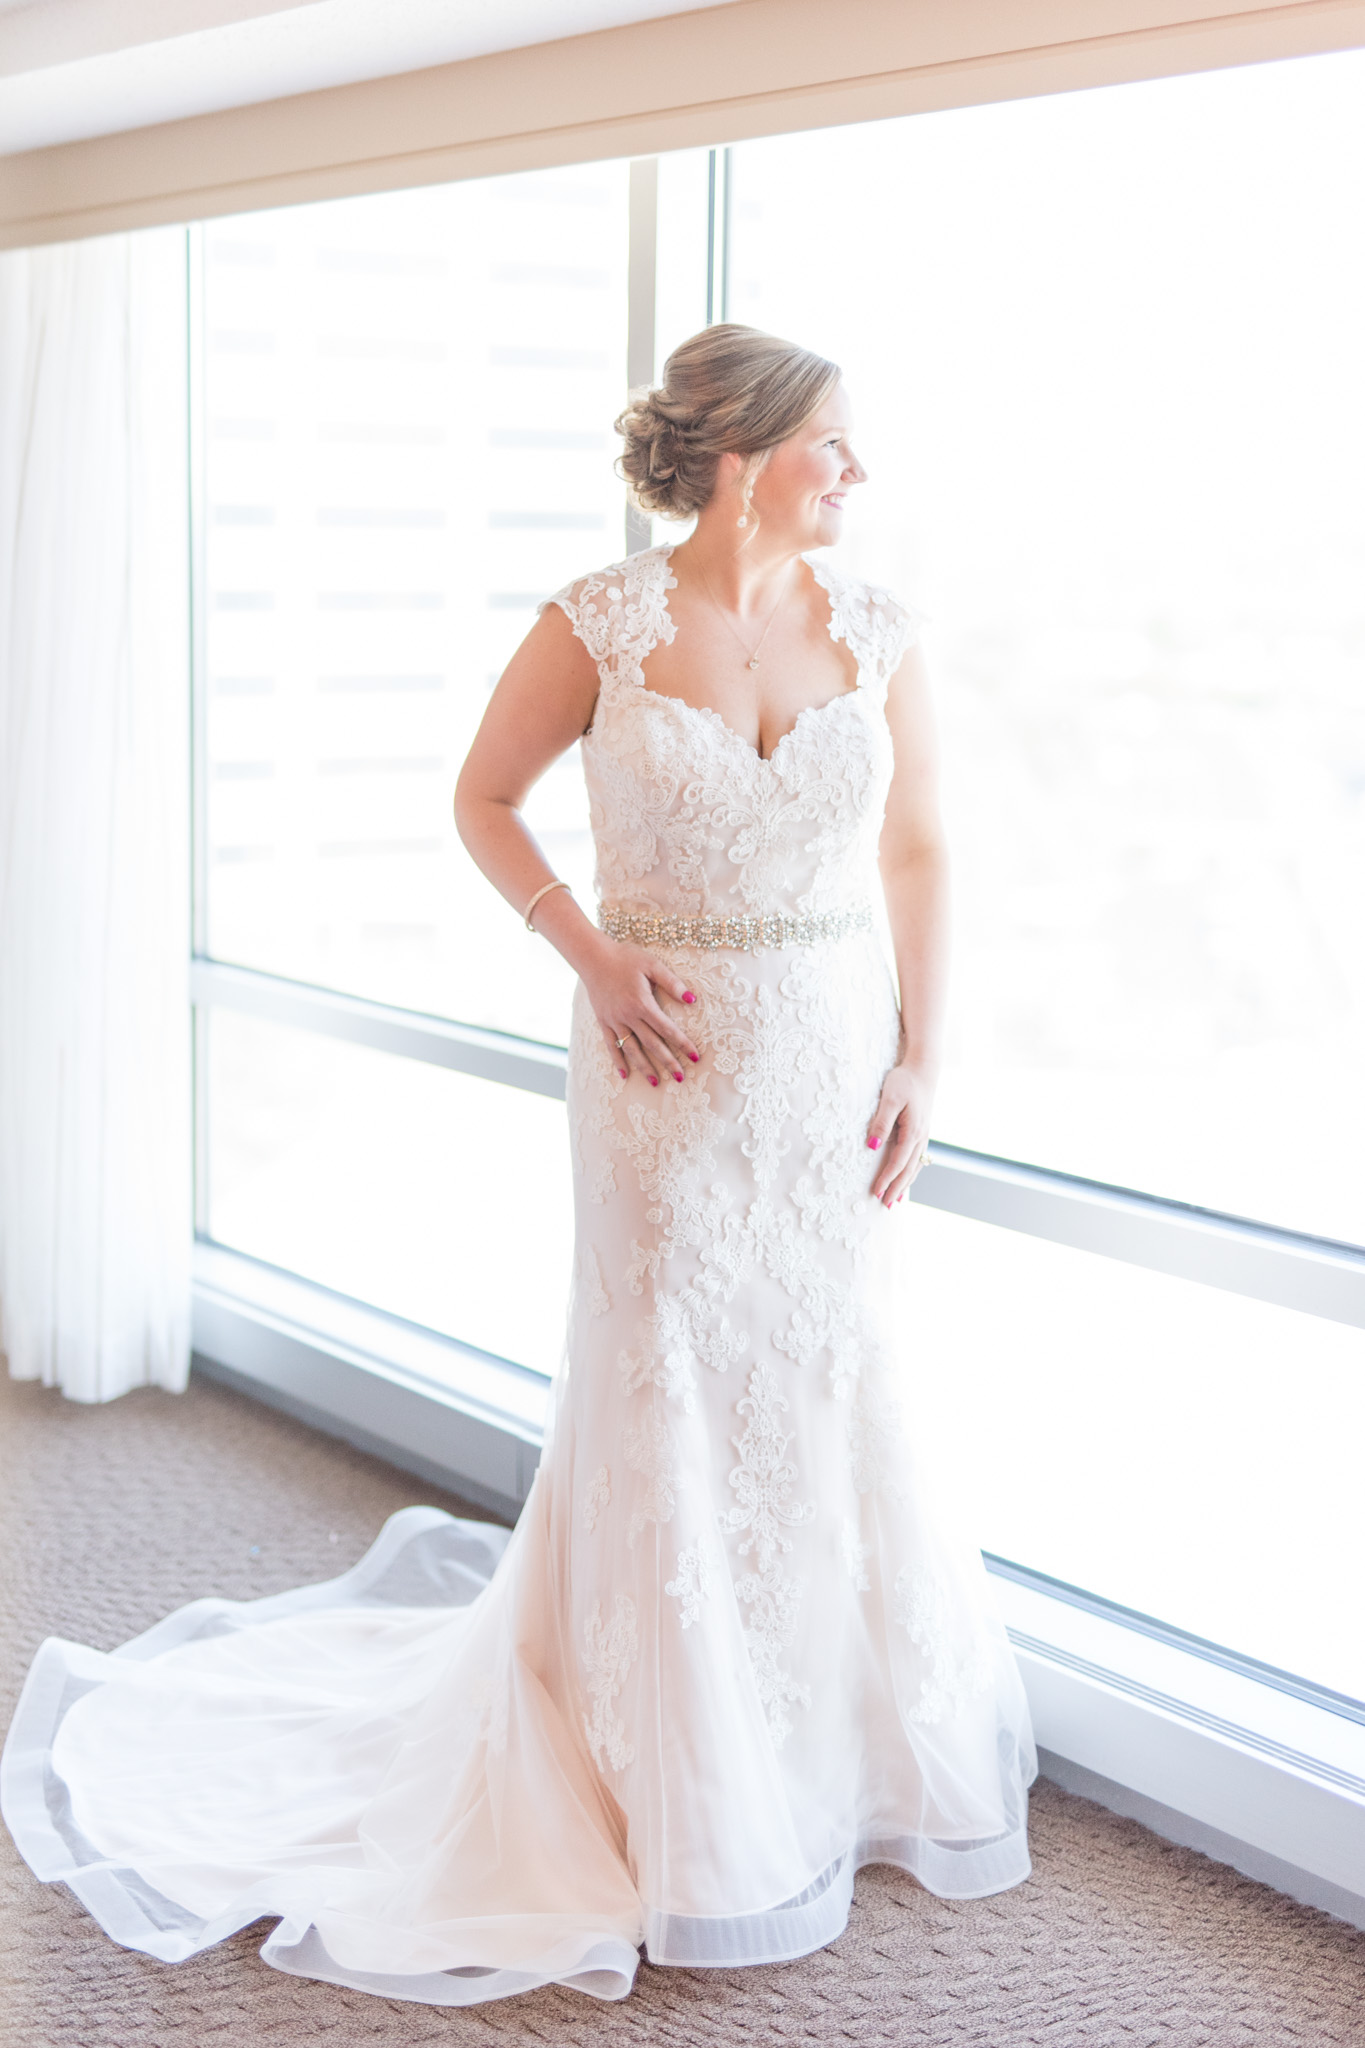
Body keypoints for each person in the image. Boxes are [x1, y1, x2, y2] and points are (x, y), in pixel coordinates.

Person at [1, 324, 1035, 2007]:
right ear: (744, 451)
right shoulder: (600, 621)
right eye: (834, 444)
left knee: (820, 1371)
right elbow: (485, 798)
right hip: (653, 1063)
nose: (858, 473)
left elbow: (917, 841)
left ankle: (819, 1761)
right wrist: (590, 954)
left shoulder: (881, 628)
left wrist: (926, 1051)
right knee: (666, 1379)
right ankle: (656, 1778)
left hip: (828, 1060)